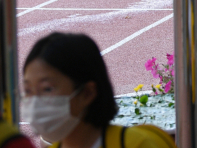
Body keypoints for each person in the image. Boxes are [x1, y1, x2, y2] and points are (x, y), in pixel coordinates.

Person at [22, 33, 177, 148]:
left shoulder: (139, 144)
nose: (35, 102)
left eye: (47, 89)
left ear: (87, 93)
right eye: (28, 90)